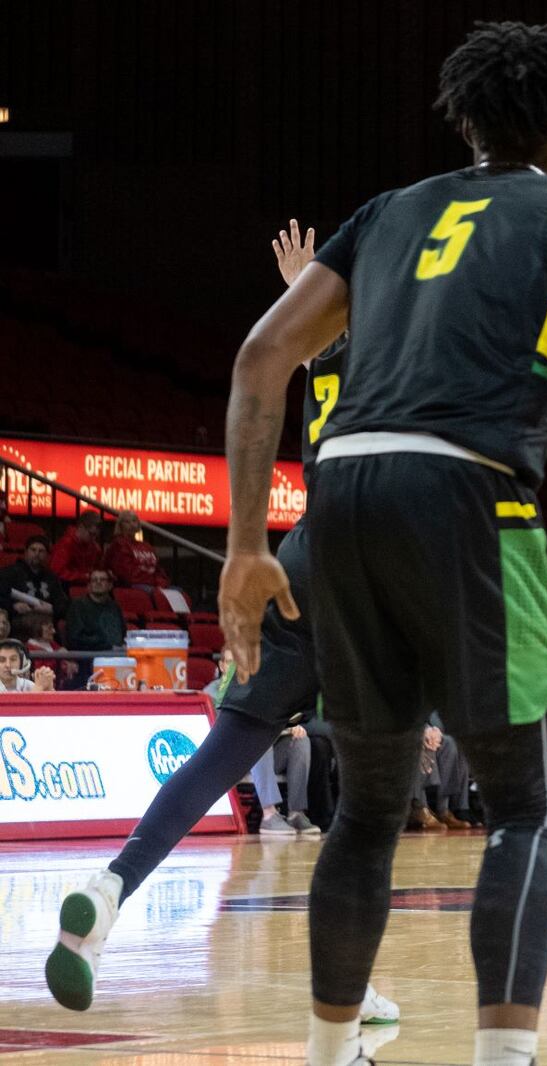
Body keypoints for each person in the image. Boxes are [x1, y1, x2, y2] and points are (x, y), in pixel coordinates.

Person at [221, 25, 547, 1060]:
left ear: (466, 121)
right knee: (525, 812)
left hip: (340, 493)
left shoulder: (386, 212)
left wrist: (245, 544)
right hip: (473, 496)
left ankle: (327, 1051)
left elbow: (263, 355)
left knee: (366, 809)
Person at [44, 222, 398, 1027]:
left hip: (301, 556)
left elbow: (306, 348)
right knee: (375, 792)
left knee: (221, 755)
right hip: (367, 569)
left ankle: (108, 892)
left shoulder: (327, 356)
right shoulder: (401, 357)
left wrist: (300, 291)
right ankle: (347, 980)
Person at [1, 535, 69, 623]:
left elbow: (63, 604)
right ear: (26, 552)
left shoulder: (52, 577)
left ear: (47, 555)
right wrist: (13, 606)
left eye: (41, 551)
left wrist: (52, 609)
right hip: (18, 624)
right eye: (33, 550)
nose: (36, 554)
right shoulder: (9, 573)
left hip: (46, 625)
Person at [102, 512, 170, 591]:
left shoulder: (147, 546)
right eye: (127, 522)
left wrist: (161, 584)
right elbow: (126, 574)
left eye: (134, 521)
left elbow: (158, 570)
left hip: (152, 584)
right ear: (120, 526)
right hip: (132, 586)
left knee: (177, 592)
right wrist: (152, 582)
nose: (131, 524)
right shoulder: (118, 545)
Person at [65, 569, 126, 652]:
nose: (98, 582)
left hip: (117, 655)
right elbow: (75, 639)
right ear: (88, 585)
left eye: (102, 579)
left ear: (110, 585)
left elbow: (122, 633)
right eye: (94, 580)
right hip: (89, 656)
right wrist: (107, 646)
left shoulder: (114, 607)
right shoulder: (78, 606)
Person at [50, 511, 105, 583]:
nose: (93, 538)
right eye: (91, 534)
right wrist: (84, 576)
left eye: (95, 536)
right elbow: (57, 572)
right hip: (66, 587)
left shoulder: (95, 548)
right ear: (81, 527)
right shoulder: (66, 545)